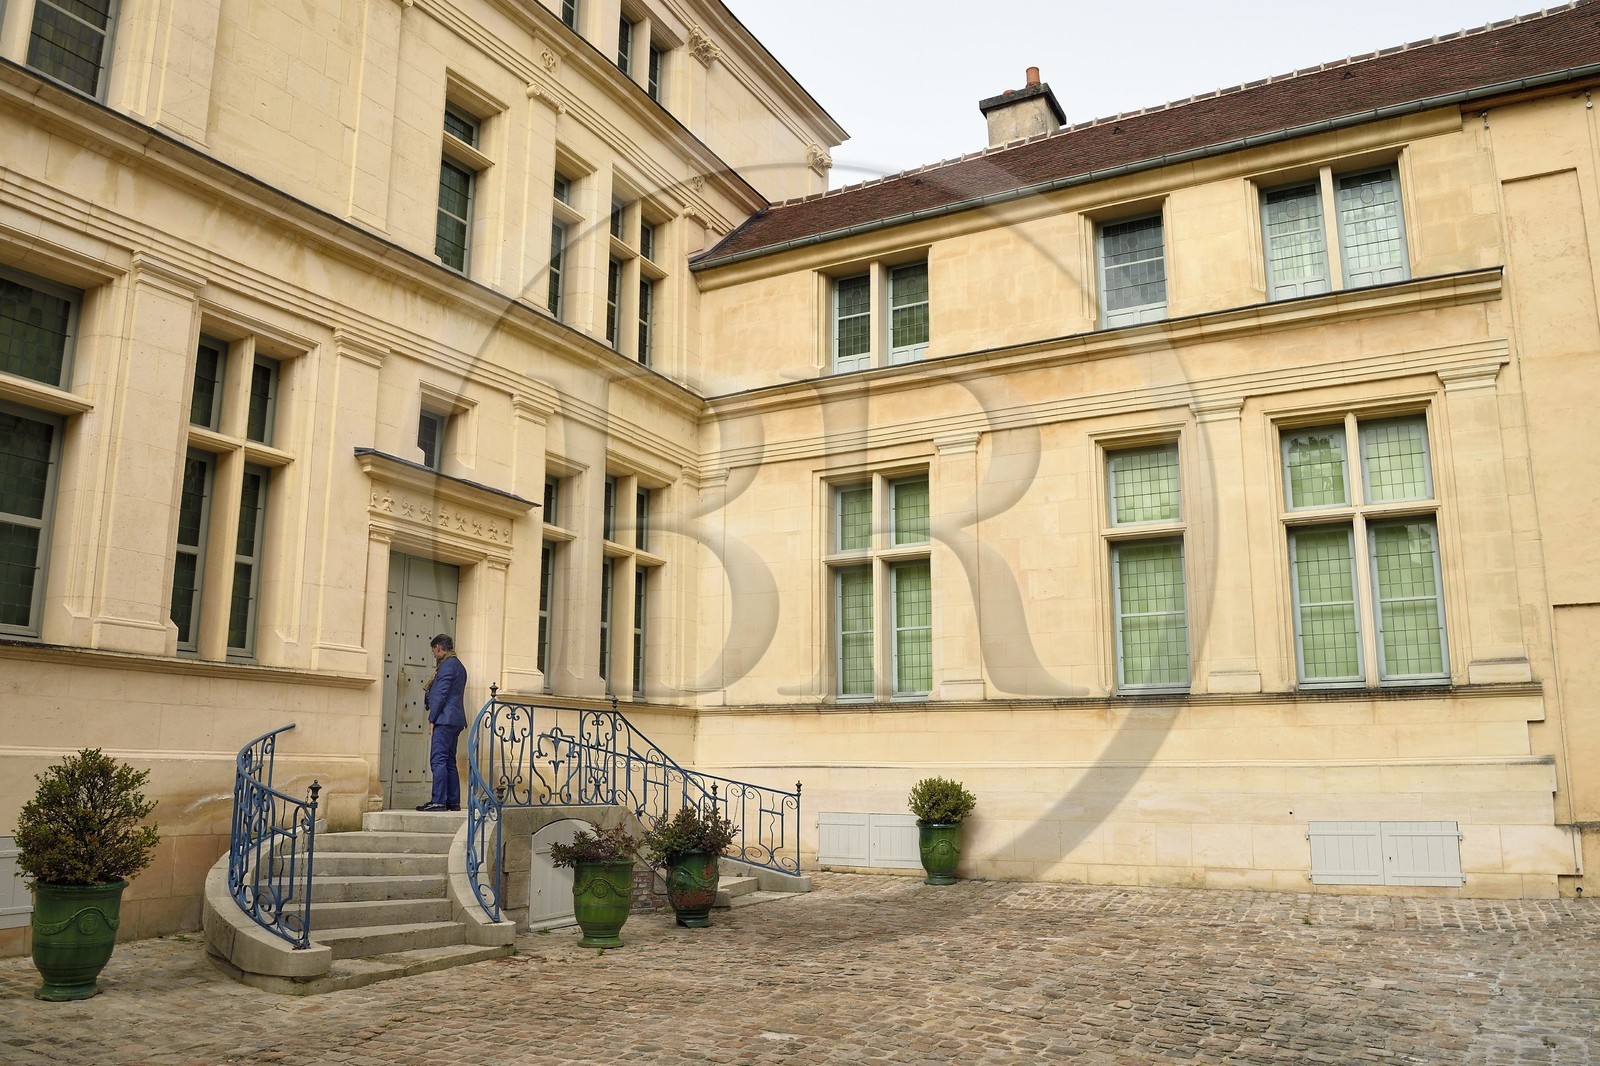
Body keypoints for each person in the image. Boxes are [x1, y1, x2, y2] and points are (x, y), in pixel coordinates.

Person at [416, 633, 467, 812]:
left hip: (444, 719)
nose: (434, 655)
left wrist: (432, 718)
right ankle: (453, 802)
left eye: (434, 651)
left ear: (439, 647)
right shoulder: (459, 666)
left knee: (438, 760)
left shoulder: (446, 666)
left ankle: (438, 801)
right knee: (449, 761)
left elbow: (441, 695)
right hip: (456, 719)